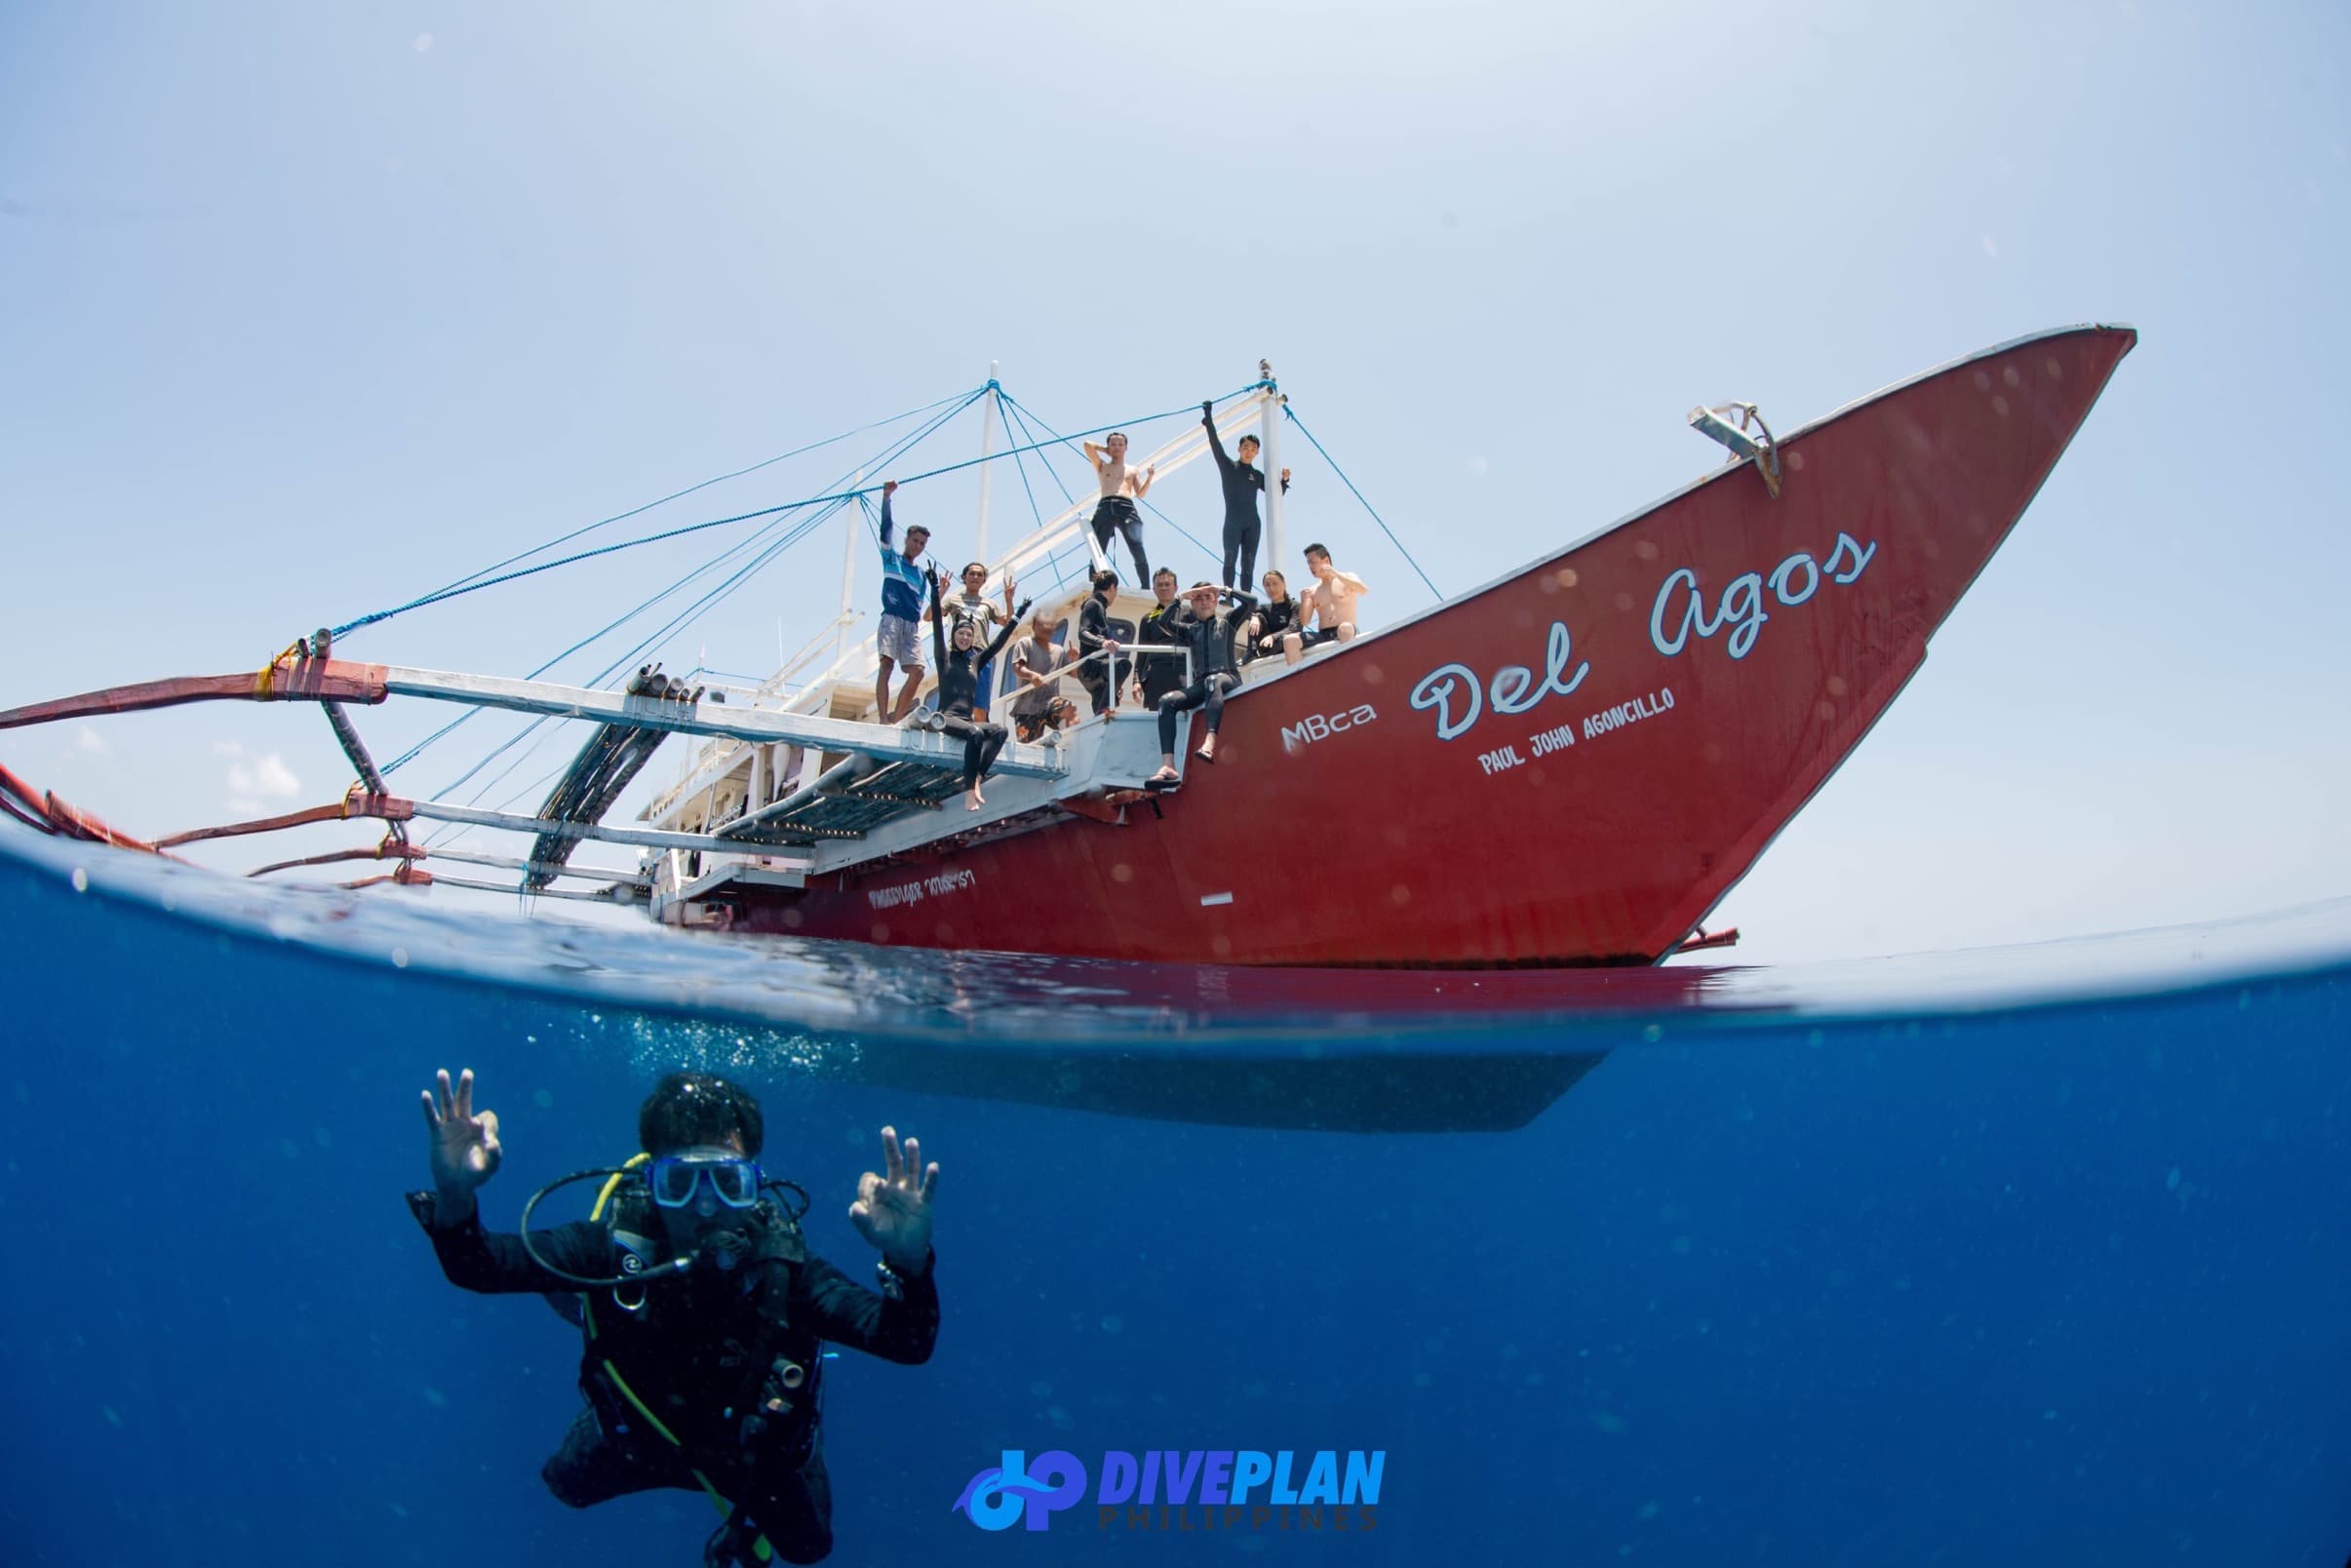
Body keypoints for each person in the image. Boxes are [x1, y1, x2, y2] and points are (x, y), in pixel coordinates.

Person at [410, 1068, 940, 1568]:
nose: (704, 1208)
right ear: (649, 1180)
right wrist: (455, 1192)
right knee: (564, 1486)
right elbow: (478, 1266)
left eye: (727, 1184)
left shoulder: (784, 1270)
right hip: (641, 1435)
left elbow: (906, 1341)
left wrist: (909, 1263)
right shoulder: (613, 1247)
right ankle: (586, 1311)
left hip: (751, 1456)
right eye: (679, 1184)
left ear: (755, 1186)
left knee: (808, 1548)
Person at [928, 571, 1030, 809]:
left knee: (1000, 730)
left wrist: (1019, 614)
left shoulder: (975, 662)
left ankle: (976, 778)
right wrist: (935, 590)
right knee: (975, 732)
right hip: (945, 718)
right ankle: (968, 791)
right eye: (961, 633)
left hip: (964, 720)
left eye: (968, 635)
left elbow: (998, 643)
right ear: (954, 637)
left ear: (973, 639)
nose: (965, 637)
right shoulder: (944, 658)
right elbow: (935, 626)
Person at [1148, 580, 1256, 784]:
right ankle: (1168, 765)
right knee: (1166, 701)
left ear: (1215, 601)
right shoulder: (1190, 630)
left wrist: (1224, 589)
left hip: (1228, 677)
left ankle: (1210, 741)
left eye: (1208, 597)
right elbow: (1162, 622)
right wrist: (1180, 598)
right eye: (1199, 598)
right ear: (1193, 604)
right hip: (1202, 684)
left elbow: (1252, 602)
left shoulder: (1228, 622)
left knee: (1212, 681)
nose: (1204, 601)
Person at [1201, 400, 1290, 591]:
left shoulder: (1256, 475)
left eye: (1253, 449)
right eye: (1246, 447)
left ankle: (1246, 599)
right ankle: (1227, 596)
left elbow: (1277, 493)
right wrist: (1208, 418)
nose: (1249, 451)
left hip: (1252, 523)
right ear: (1239, 449)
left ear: (1257, 452)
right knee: (1230, 558)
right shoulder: (1228, 466)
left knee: (1248, 564)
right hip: (1233, 521)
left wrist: (1283, 480)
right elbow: (1215, 444)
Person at [874, 481, 932, 723]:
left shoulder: (921, 576)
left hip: (911, 624)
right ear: (907, 539)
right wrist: (887, 498)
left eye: (922, 544)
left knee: (917, 671)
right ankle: (882, 719)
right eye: (915, 541)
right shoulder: (891, 558)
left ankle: (896, 719)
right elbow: (885, 528)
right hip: (892, 619)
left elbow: (921, 607)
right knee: (886, 665)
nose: (918, 546)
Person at [932, 562, 1018, 722]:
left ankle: (978, 734)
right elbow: (929, 617)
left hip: (980, 656)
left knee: (980, 703)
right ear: (964, 577)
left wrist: (1009, 600)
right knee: (956, 697)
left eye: (980, 574)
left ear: (984, 580)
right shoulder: (952, 599)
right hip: (957, 655)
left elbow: (1007, 623)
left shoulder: (989, 604)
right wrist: (940, 593)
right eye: (972, 573)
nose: (975, 577)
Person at [1081, 430, 1156, 587]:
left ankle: (1146, 586)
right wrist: (1104, 450)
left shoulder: (1133, 469)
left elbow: (1140, 493)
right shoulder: (1102, 466)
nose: (1117, 447)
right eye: (1113, 444)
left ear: (1126, 448)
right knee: (1098, 548)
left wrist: (1149, 477)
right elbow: (1087, 445)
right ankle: (1094, 585)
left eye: (1120, 444)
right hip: (1106, 505)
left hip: (1126, 506)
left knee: (1137, 548)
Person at [1004, 606, 1075, 741]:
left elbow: (1074, 673)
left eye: (1049, 625)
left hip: (1050, 703)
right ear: (1034, 625)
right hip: (1026, 709)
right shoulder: (1025, 643)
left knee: (1069, 711)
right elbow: (1017, 668)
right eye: (1042, 624)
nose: (1045, 628)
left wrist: (1075, 659)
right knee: (1027, 747)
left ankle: (1071, 745)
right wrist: (1031, 675)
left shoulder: (1059, 651)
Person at [1073, 568, 1128, 717]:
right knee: (1123, 665)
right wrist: (1103, 642)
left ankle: (1100, 720)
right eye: (1116, 590)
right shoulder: (1093, 604)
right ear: (1112, 587)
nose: (1115, 595)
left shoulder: (1099, 606)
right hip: (1090, 667)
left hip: (1095, 670)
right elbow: (1083, 632)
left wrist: (1115, 682)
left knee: (1109, 703)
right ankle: (1102, 711)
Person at [1134, 567, 1192, 710]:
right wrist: (1136, 681)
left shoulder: (1189, 613)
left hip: (1183, 672)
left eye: (1167, 584)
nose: (1164, 588)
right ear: (1154, 589)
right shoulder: (1149, 618)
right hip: (1157, 676)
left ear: (1176, 587)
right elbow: (1141, 653)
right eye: (1160, 585)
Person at [1298, 543, 1369, 651]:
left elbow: (1363, 590)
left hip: (1346, 630)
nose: (1310, 567)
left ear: (1326, 561)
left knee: (1344, 628)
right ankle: (1298, 668)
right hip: (1323, 634)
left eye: (1313, 562)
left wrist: (1335, 573)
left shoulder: (1347, 577)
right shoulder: (1312, 591)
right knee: (1291, 640)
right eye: (1308, 563)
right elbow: (1305, 622)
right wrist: (1304, 601)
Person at [1241, 568, 1305, 666]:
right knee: (1257, 616)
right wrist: (1254, 617)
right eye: (1267, 585)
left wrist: (1273, 637)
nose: (1271, 588)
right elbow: (1251, 612)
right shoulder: (1263, 609)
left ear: (1284, 585)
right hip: (1267, 649)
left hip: (1286, 646)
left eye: (1275, 584)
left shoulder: (1295, 606)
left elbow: (1294, 628)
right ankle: (1251, 652)